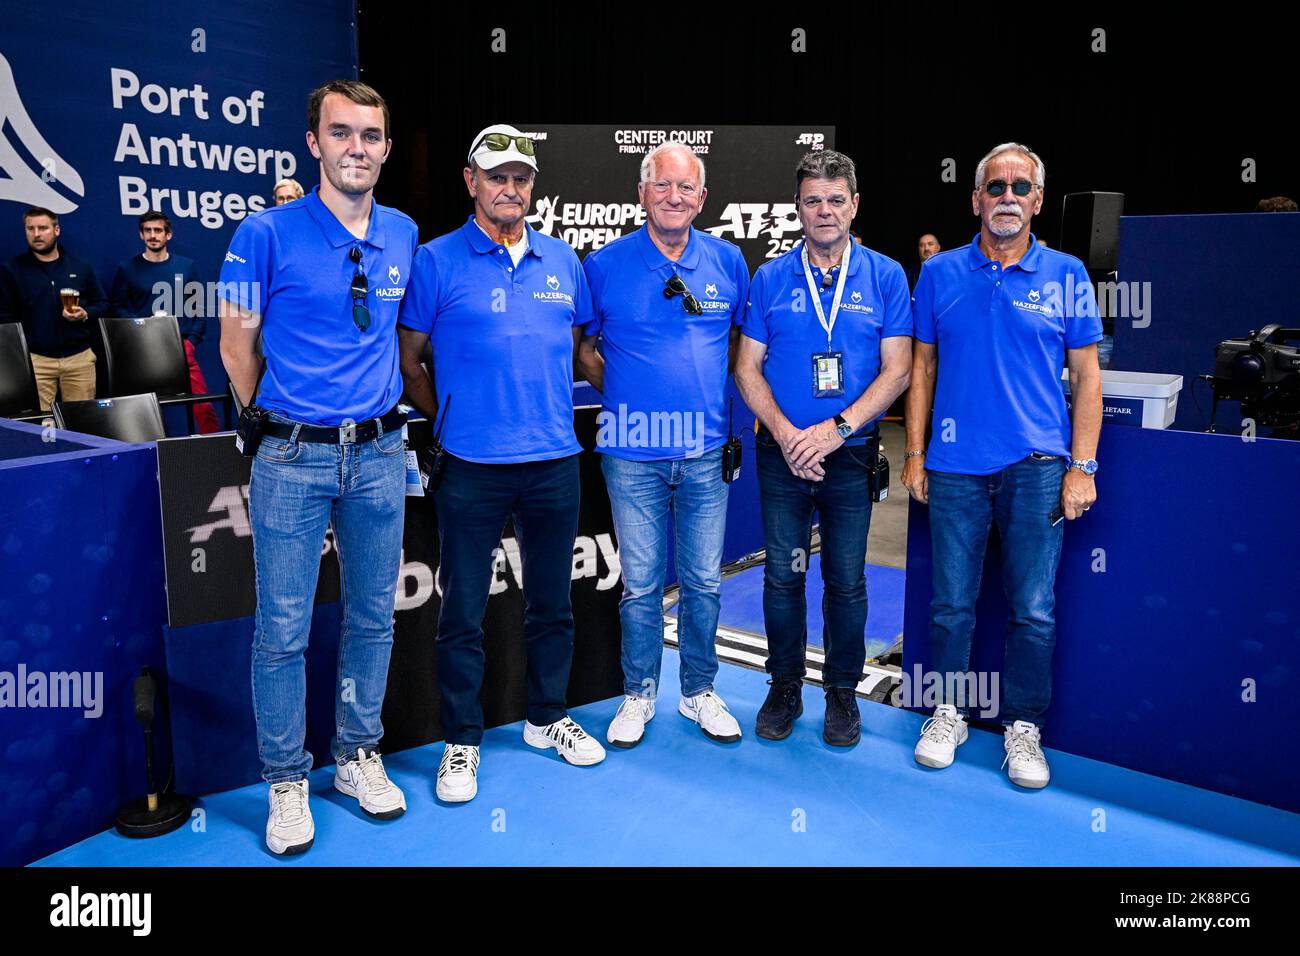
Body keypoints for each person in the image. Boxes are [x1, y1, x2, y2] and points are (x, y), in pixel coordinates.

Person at [219, 80, 417, 854]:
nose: (356, 148)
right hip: (292, 456)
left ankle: (357, 757)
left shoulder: (401, 231)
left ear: (385, 148)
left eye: (370, 135)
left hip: (379, 453)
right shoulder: (263, 231)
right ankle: (285, 780)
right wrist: (272, 422)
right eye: (342, 134)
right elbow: (237, 343)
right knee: (284, 629)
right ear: (314, 143)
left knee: (372, 616)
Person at [397, 124, 605, 803]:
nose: (510, 188)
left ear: (531, 187)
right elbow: (409, 359)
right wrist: (449, 424)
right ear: (471, 182)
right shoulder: (434, 260)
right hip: (471, 468)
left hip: (554, 462)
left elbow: (580, 350)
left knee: (552, 605)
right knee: (462, 612)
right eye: (497, 176)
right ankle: (462, 739)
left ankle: (548, 717)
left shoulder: (563, 261)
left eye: (521, 177)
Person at [902, 142, 1102, 789]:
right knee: (950, 606)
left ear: (1038, 200)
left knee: (1033, 608)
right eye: (995, 187)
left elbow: (1087, 378)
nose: (1007, 197)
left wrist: (1084, 465)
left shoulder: (1068, 273)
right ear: (975, 199)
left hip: (1040, 467)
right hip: (955, 467)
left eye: (1020, 187)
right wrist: (912, 452)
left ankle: (1022, 727)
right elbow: (921, 368)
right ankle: (948, 712)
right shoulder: (939, 274)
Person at [735, 149, 912, 746]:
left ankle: (842, 694)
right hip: (782, 458)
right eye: (813, 200)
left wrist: (834, 430)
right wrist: (788, 435)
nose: (825, 210)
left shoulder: (886, 275)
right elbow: (746, 368)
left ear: (855, 205)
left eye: (837, 200)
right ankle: (784, 686)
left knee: (846, 580)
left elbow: (899, 369)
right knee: (783, 579)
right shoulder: (769, 277)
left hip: (851, 455)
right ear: (798, 208)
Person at [576, 142, 750, 749]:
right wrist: (625, 390)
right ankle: (639, 693)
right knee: (642, 584)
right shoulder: (603, 266)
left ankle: (699, 691)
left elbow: (736, 347)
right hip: (630, 453)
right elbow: (584, 350)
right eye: (662, 186)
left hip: (704, 452)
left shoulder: (729, 263)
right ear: (642, 193)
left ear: (702, 198)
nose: (674, 197)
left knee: (703, 581)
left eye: (686, 188)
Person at [110, 210, 218, 433]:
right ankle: (148, 458)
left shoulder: (186, 266)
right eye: (147, 231)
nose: (153, 235)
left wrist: (190, 343)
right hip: (141, 350)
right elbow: (116, 307)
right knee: (140, 413)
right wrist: (142, 322)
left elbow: (201, 307)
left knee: (204, 408)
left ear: (168, 235)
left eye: (158, 230)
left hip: (180, 348)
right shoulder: (127, 269)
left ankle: (216, 454)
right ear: (141, 235)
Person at [0, 208, 106, 409]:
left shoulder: (80, 267)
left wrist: (85, 314)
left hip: (79, 359)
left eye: (43, 228)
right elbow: (6, 319)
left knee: (81, 425)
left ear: (56, 230)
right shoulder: (12, 270)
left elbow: (103, 304)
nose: (37, 234)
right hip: (36, 361)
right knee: (40, 428)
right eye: (30, 229)